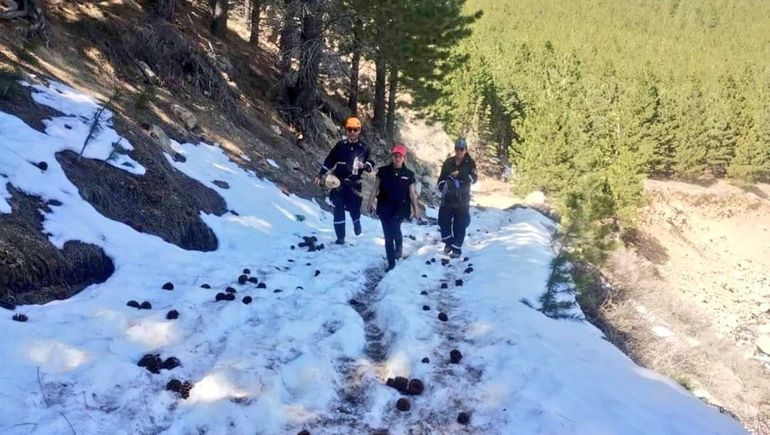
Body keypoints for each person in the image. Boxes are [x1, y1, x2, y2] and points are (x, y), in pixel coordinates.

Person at [315, 117, 374, 245]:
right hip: (338, 183)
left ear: (359, 131)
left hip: (354, 185)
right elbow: (330, 160)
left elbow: (371, 164)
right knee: (338, 207)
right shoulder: (340, 145)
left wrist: (364, 166)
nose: (352, 132)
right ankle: (340, 237)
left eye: (355, 129)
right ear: (346, 130)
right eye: (349, 129)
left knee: (354, 209)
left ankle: (356, 222)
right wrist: (320, 174)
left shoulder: (364, 147)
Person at [367, 144, 421, 271]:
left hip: (401, 209)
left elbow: (412, 194)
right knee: (388, 235)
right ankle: (391, 263)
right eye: (395, 155)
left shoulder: (408, 174)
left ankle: (399, 246)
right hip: (384, 207)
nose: (397, 158)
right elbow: (375, 188)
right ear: (392, 156)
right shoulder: (383, 172)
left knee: (395, 229)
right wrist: (370, 202)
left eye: (400, 156)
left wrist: (416, 210)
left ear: (404, 158)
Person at [437, 138, 478, 258]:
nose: (459, 151)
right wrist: (443, 185)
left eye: (461, 149)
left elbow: (474, 178)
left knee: (460, 224)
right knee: (442, 221)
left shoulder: (470, 163)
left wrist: (460, 175)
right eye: (457, 149)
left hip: (462, 199)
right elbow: (441, 178)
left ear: (465, 150)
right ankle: (448, 242)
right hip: (448, 198)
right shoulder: (448, 162)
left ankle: (456, 248)